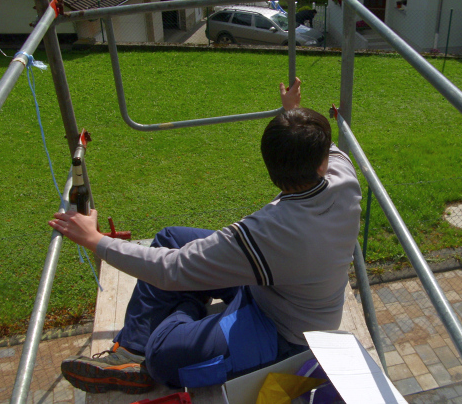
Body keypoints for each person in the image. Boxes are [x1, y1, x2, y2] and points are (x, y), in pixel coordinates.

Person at [49, 78, 362, 394]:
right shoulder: (344, 175)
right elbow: (320, 148)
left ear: (271, 171)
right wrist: (293, 111)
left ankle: (182, 307)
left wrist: (95, 240)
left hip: (284, 333)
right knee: (171, 239)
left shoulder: (268, 232)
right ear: (321, 163)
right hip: (275, 284)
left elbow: (171, 269)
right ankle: (130, 352)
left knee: (161, 355)